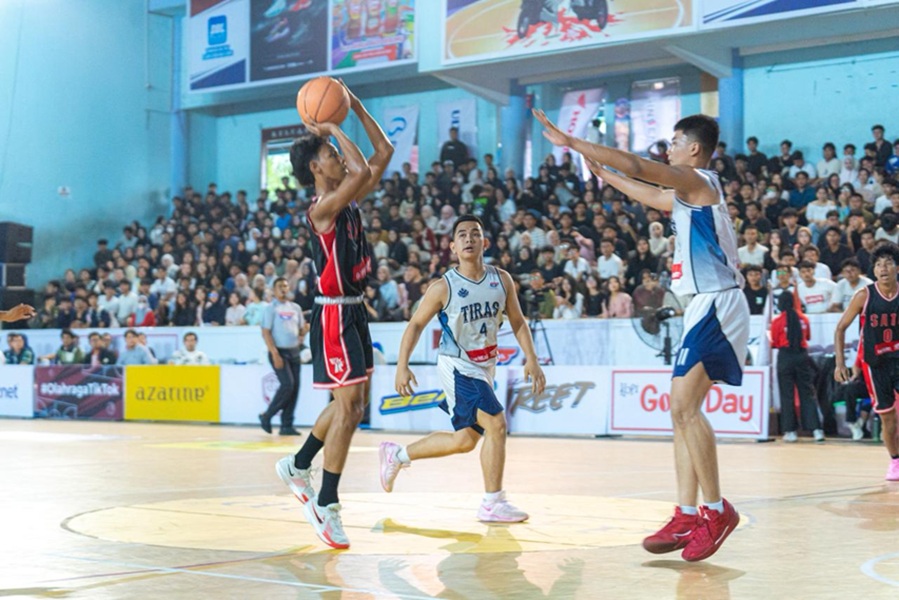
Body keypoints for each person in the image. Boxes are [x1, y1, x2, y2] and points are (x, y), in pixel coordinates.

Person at [535, 109, 747, 561]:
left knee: (685, 407)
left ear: (693, 148)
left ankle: (716, 510)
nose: (667, 149)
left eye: (674, 142)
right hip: (701, 304)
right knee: (678, 411)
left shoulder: (699, 180)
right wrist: (603, 174)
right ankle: (687, 513)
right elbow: (649, 193)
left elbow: (639, 167)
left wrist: (571, 141)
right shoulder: (691, 193)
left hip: (718, 300)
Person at [275, 82, 393, 550]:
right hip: (331, 317)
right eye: (330, 153)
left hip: (354, 312)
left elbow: (381, 150)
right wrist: (330, 125)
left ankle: (299, 462)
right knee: (347, 408)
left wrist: (356, 105)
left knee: (353, 407)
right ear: (314, 167)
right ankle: (327, 502)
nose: (340, 157)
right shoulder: (323, 209)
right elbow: (362, 165)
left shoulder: (350, 197)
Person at [380, 215, 545, 522]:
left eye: (475, 234)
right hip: (457, 364)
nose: (469, 239)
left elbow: (519, 322)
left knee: (465, 441)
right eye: (462, 235)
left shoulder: (502, 279)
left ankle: (397, 455)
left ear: (485, 243)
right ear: (453, 246)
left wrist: (531, 359)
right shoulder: (443, 287)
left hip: (484, 367)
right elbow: (415, 325)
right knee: (496, 424)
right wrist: (401, 365)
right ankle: (492, 502)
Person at [835, 243, 899, 480]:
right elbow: (840, 328)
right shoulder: (864, 295)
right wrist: (840, 363)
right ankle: (895, 461)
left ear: (897, 267)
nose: (883, 268)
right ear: (873, 270)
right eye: (879, 264)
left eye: (888, 263)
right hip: (876, 363)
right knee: (887, 416)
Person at [771, 292, 823, 443]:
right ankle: (817, 430)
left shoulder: (777, 321)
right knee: (807, 393)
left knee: (786, 395)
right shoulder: (804, 318)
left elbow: (774, 341)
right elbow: (807, 337)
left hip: (785, 357)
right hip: (802, 356)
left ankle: (790, 431)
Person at [259, 277, 307, 437]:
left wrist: (304, 331)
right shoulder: (270, 308)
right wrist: (274, 353)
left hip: (294, 351)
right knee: (288, 385)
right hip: (278, 351)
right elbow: (266, 332)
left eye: (286, 286)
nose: (283, 289)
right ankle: (267, 415)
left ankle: (287, 425)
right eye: (280, 286)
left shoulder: (295, 308)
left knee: (295, 389)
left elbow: (301, 329)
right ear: (274, 290)